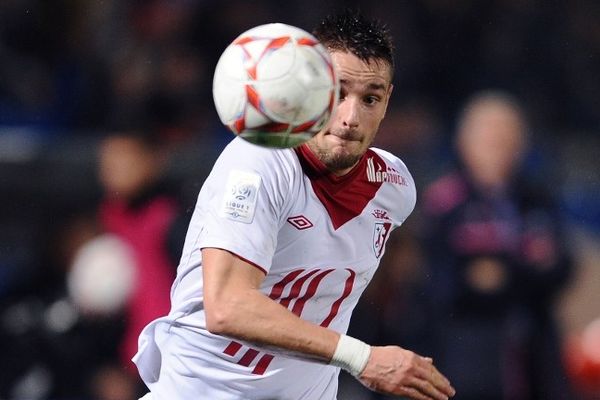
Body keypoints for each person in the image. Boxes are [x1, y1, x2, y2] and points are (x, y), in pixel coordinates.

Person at [133, 10, 456, 400]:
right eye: (337, 93)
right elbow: (228, 306)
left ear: (387, 101)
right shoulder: (260, 160)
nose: (351, 117)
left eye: (370, 98)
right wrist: (363, 357)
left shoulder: (395, 186)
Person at [421, 91, 574, 399]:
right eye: (489, 138)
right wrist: (525, 269)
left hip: (536, 352)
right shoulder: (445, 201)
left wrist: (501, 273)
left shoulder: (537, 198)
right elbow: (445, 284)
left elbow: (562, 267)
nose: (498, 146)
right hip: (467, 357)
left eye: (507, 137)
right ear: (464, 142)